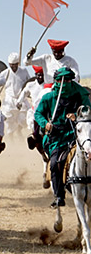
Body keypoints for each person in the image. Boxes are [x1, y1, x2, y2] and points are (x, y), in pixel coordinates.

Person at [35, 67, 89, 208]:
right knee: (54, 164)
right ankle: (59, 196)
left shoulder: (79, 94)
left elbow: (87, 111)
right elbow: (38, 114)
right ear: (56, 80)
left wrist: (76, 116)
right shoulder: (49, 97)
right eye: (60, 80)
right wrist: (45, 124)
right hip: (56, 138)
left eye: (67, 80)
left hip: (75, 135)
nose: (64, 83)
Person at [17, 66, 52, 149]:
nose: (40, 77)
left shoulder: (48, 85)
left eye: (42, 75)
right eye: (39, 75)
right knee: (35, 129)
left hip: (48, 110)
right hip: (36, 111)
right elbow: (24, 92)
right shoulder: (30, 85)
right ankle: (35, 138)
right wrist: (19, 101)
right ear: (35, 75)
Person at [0, 52, 31, 134]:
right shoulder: (5, 73)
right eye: (11, 65)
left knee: (23, 118)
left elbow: (29, 83)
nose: (13, 66)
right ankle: (10, 138)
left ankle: (19, 130)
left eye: (15, 64)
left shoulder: (24, 71)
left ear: (18, 63)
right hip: (9, 100)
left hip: (21, 99)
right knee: (9, 120)